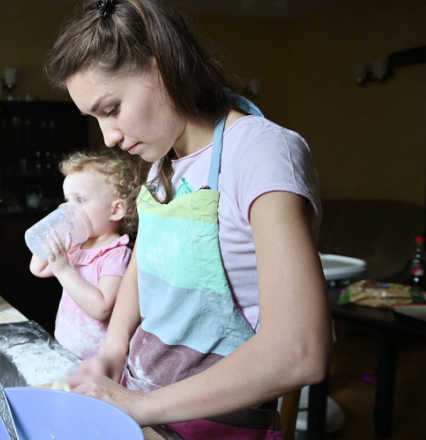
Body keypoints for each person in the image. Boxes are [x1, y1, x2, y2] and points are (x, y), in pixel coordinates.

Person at [45, 0, 331, 438]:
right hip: (150, 412)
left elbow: (299, 350)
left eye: (112, 108)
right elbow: (146, 263)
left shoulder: (260, 152)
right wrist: (113, 351)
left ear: (161, 70)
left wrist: (140, 406)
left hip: (218, 426)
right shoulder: (164, 162)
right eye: (95, 118)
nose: (110, 137)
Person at [29, 149, 143, 360]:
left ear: (115, 210)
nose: (69, 209)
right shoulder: (75, 244)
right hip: (67, 350)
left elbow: (101, 309)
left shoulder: (116, 254)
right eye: (66, 200)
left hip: (96, 360)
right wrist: (52, 230)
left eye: (80, 200)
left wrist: (63, 270)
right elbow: (38, 268)